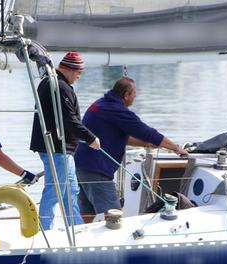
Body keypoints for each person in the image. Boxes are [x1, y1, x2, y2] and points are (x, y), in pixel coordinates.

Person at [74, 77, 188, 223]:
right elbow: (148, 132)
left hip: (81, 166)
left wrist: (147, 144)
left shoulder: (101, 104)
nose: (135, 97)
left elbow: (119, 136)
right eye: (134, 94)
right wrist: (176, 148)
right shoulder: (117, 110)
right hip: (97, 171)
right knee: (114, 217)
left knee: (87, 214)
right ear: (126, 95)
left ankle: (83, 242)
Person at [29, 51, 101, 230]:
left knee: (70, 191)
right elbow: (69, 119)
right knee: (55, 191)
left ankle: (75, 227)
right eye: (78, 72)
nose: (78, 76)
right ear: (69, 69)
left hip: (59, 149)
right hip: (57, 148)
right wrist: (90, 138)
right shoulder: (59, 86)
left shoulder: (52, 82)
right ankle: (44, 230)